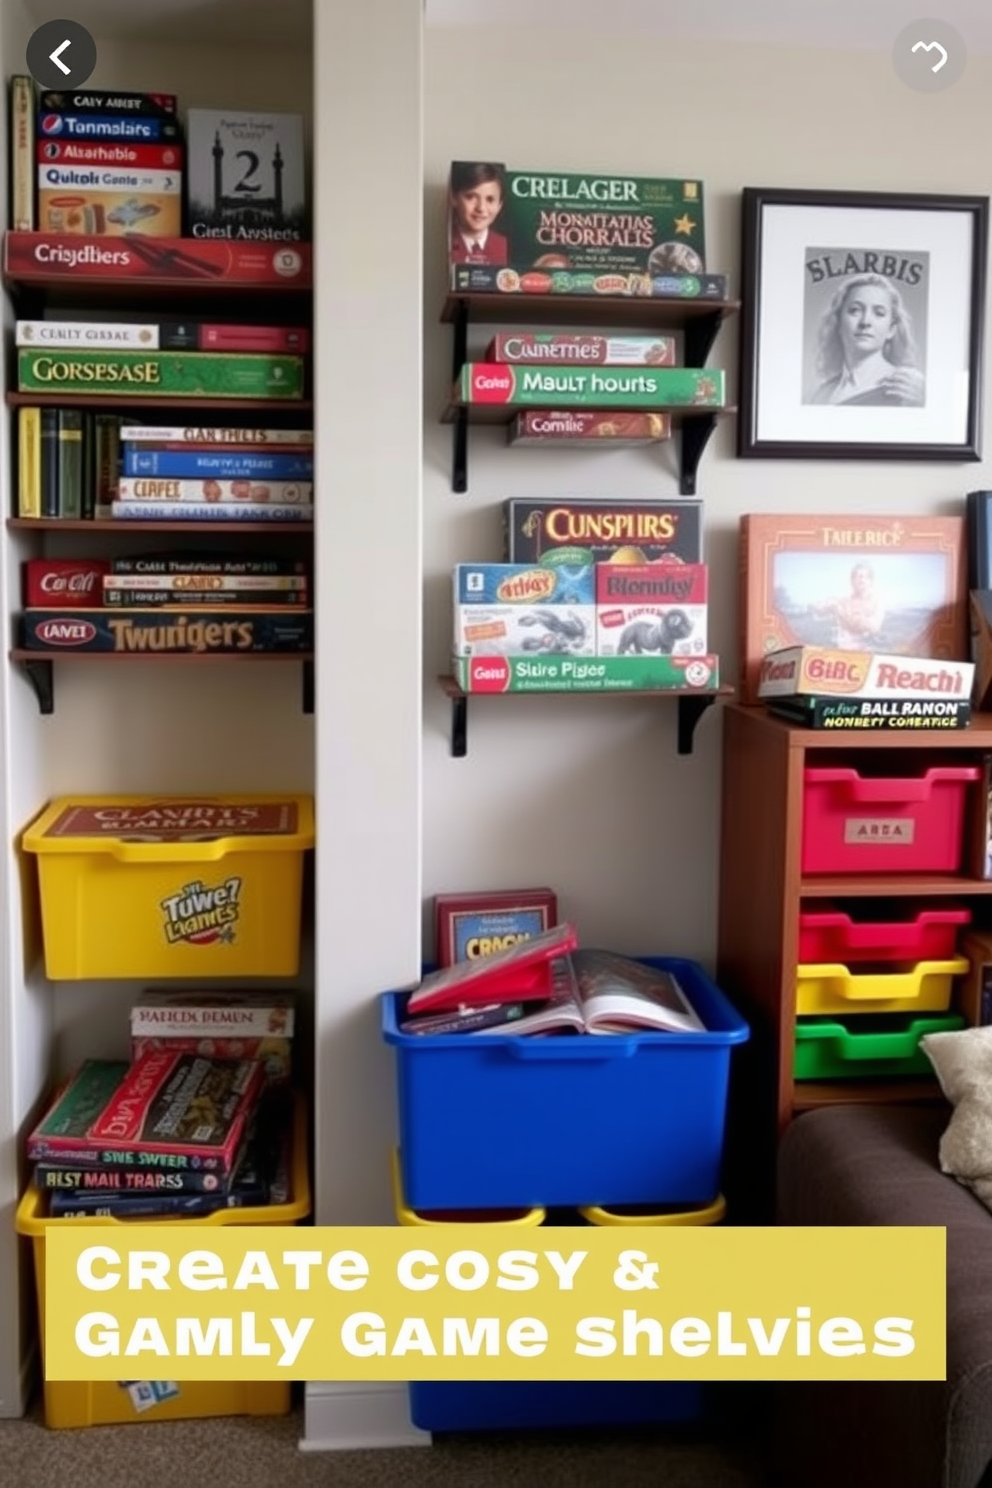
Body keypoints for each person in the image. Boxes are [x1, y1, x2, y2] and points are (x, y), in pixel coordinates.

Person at [808, 273, 925, 407]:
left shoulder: (908, 386)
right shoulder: (821, 394)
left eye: (879, 313)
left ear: (891, 329)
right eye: (855, 310)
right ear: (838, 322)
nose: (865, 322)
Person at [807, 561, 886, 650]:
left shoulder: (877, 602)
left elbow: (873, 627)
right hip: (843, 652)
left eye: (865, 576)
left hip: (867, 652)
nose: (861, 579)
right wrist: (819, 608)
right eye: (857, 576)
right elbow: (819, 613)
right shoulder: (843, 601)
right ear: (852, 581)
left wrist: (843, 613)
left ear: (871, 581)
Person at [448, 162, 508, 265]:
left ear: (499, 206)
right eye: (470, 197)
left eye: (490, 199)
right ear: (454, 198)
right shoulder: (447, 243)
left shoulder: (504, 245)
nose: (481, 208)